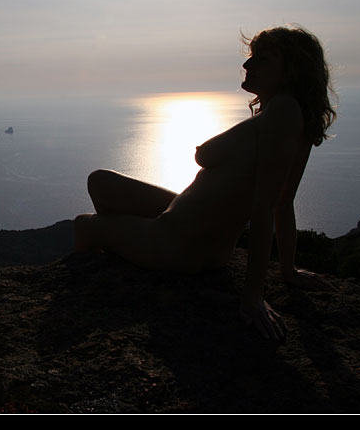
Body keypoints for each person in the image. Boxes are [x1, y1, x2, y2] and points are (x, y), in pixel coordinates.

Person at [74, 25, 337, 341]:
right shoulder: (294, 119)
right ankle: (128, 241)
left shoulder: (282, 110)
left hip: (174, 244)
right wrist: (288, 270)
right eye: (251, 56)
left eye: (263, 59)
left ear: (292, 70)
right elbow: (284, 202)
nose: (247, 64)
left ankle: (114, 256)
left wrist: (253, 295)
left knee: (85, 224)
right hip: (206, 245)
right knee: (100, 182)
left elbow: (265, 206)